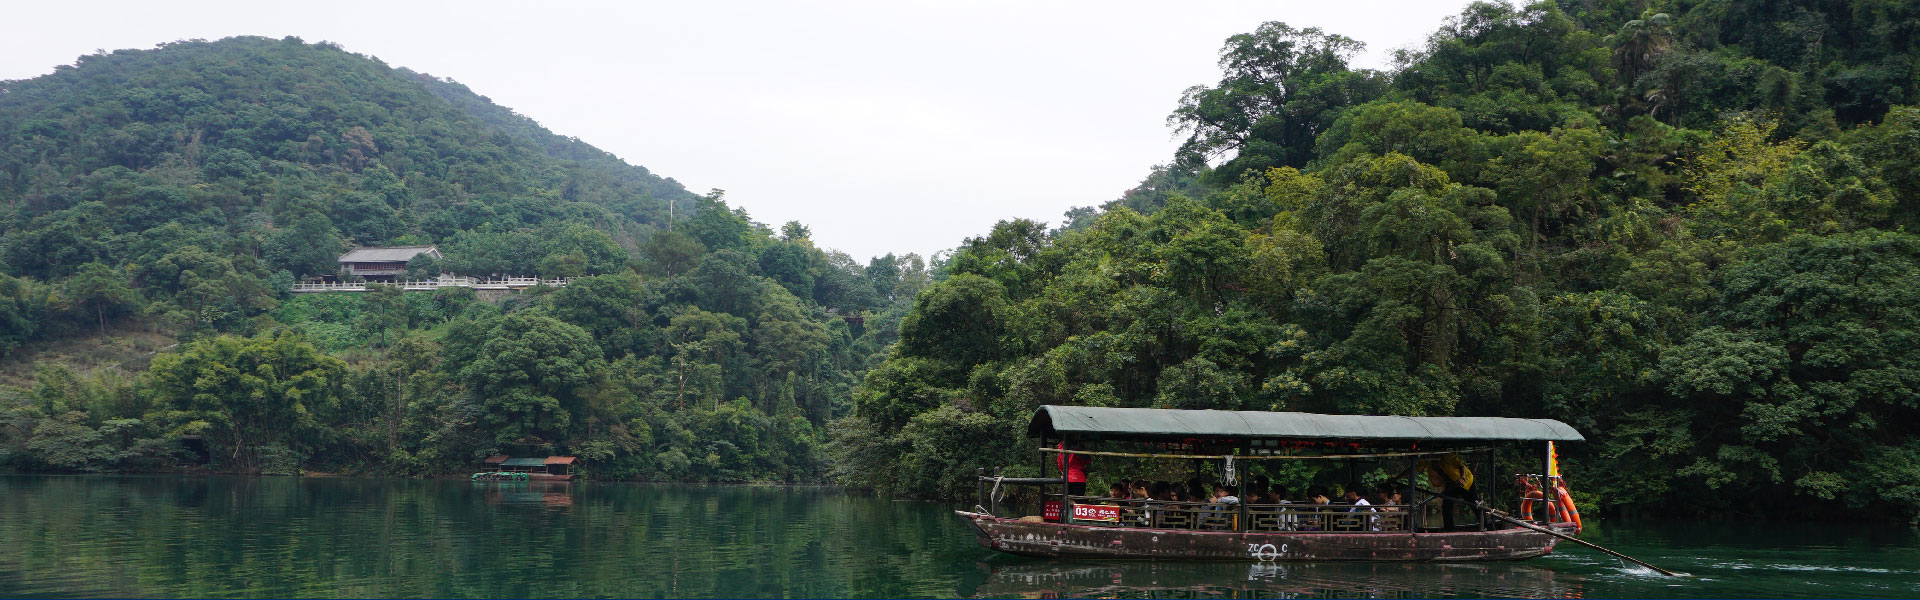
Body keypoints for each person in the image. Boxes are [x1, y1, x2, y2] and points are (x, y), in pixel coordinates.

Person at [1418, 454, 1478, 530]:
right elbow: (1416, 468)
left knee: (1474, 503)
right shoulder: (1428, 462)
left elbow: (1461, 466)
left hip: (1465, 482)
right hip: (1452, 485)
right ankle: (1449, 528)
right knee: (1446, 506)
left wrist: (1462, 478)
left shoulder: (1446, 457)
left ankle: (1485, 525)